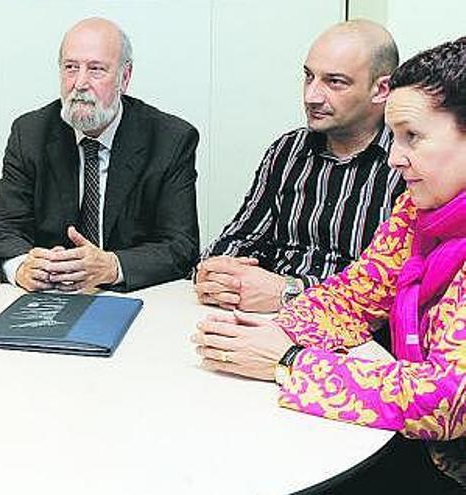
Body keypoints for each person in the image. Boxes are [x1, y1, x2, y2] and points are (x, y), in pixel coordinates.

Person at [192, 36, 466, 491]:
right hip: (416, 441)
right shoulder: (418, 209)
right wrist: (280, 330)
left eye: (412, 137)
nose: (395, 158)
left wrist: (288, 362)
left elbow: (448, 399)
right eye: (394, 137)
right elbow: (356, 293)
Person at [194, 20, 405, 313]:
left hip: (354, 334)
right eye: (309, 77)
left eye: (335, 82)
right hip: (262, 317)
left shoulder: (407, 162)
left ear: (381, 89)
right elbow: (243, 235)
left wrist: (290, 292)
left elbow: (393, 287)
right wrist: (217, 272)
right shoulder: (288, 150)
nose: (311, 97)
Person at [0, 17, 199, 293]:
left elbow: (180, 246)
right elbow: (1, 230)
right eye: (71, 68)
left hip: (137, 300)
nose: (80, 83)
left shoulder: (169, 139)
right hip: (48, 300)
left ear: (125, 77)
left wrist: (112, 265)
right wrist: (23, 265)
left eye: (96, 70)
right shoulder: (31, 133)